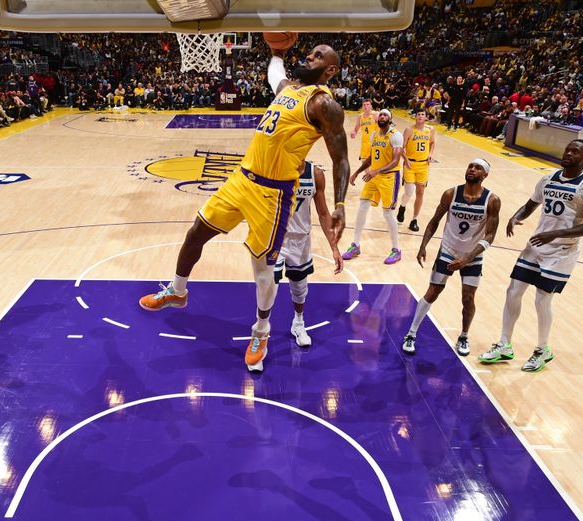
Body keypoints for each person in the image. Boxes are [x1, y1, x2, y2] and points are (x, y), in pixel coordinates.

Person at [138, 41, 350, 373]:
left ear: (331, 69)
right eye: (310, 52)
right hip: (242, 179)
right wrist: (277, 49)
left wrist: (339, 203)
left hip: (274, 194)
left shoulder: (325, 105)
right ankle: (177, 291)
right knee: (196, 231)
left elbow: (341, 159)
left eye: (319, 55)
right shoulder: (289, 90)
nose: (310, 56)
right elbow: (274, 74)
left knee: (263, 271)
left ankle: (260, 333)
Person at [479, 140, 583, 372]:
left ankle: (542, 349)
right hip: (537, 244)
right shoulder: (548, 178)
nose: (568, 153)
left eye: (575, 151)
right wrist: (515, 216)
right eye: (567, 149)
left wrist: (557, 233)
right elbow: (531, 204)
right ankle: (505, 344)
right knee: (513, 291)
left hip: (562, 250)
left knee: (542, 298)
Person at [402, 159, 501, 356]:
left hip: (473, 256)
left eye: (478, 167)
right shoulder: (451, 194)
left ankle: (464, 336)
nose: (472, 169)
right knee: (433, 291)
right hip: (448, 250)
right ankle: (411, 333)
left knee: (468, 298)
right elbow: (434, 221)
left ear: (485, 175)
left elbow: (490, 236)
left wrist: (467, 258)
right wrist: (423, 246)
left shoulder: (492, 200)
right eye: (470, 165)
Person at [274, 160, 340, 347]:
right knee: (268, 286)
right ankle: (261, 332)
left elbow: (323, 213)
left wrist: (334, 247)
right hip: (276, 238)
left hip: (301, 240)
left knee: (300, 287)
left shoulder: (315, 174)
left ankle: (299, 323)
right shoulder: (274, 167)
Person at [343, 108, 403, 265]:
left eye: (385, 115)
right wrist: (356, 172)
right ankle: (355, 245)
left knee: (387, 213)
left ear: (390, 119)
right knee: (362, 206)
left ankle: (396, 250)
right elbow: (370, 158)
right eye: (381, 114)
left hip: (389, 178)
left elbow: (395, 161)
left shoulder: (396, 135)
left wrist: (375, 172)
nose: (382, 116)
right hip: (374, 177)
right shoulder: (374, 135)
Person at [397, 110, 435, 232]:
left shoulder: (430, 130)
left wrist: (430, 154)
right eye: (418, 114)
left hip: (423, 165)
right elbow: (401, 148)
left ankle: (414, 219)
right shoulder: (409, 130)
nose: (420, 116)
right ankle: (402, 207)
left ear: (426, 117)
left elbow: (432, 143)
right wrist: (405, 159)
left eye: (422, 114)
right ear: (415, 117)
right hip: (410, 164)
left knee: (420, 192)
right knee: (409, 192)